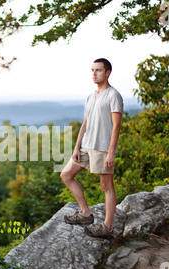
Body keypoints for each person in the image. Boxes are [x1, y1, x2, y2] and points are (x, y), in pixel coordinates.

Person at [60, 58, 123, 239]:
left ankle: (107, 227)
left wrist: (111, 151)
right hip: (86, 146)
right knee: (66, 175)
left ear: (108, 72)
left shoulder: (113, 95)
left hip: (102, 148)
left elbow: (116, 125)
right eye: (92, 70)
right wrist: (76, 147)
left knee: (106, 186)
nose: (94, 74)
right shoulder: (90, 96)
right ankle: (85, 214)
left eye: (98, 70)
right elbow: (85, 123)